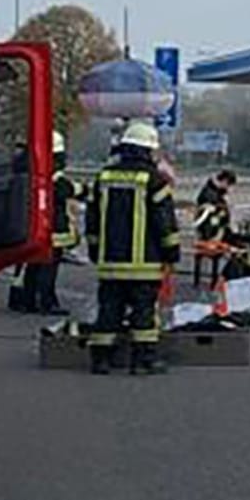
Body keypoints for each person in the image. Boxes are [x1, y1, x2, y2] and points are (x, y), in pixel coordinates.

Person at [85, 121, 180, 375]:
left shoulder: (104, 177)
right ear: (148, 150)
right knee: (144, 314)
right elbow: (165, 222)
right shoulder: (154, 181)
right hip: (144, 264)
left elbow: (91, 218)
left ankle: (101, 360)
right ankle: (143, 361)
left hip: (110, 263)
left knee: (108, 311)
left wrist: (94, 248)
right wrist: (172, 252)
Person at [19, 131, 86, 314]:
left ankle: (29, 300)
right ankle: (46, 302)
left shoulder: (29, 170)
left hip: (34, 226)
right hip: (52, 229)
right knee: (48, 267)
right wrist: (82, 189)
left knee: (34, 265)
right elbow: (64, 190)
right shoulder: (52, 176)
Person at [192, 168, 250, 279]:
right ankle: (244, 275)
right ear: (224, 181)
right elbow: (213, 223)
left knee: (249, 241)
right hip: (216, 236)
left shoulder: (213, 193)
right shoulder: (210, 196)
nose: (229, 189)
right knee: (247, 245)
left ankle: (248, 274)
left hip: (220, 234)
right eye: (229, 185)